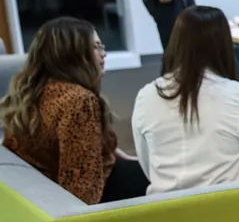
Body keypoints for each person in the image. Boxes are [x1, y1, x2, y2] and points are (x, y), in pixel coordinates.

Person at [132, 6, 239, 194]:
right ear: (224, 45)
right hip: (229, 213)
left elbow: (147, 164)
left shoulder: (146, 96)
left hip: (163, 214)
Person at [1, 17, 148, 204]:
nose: (104, 54)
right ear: (72, 53)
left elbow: (77, 143)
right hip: (73, 197)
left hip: (40, 188)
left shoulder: (31, 91)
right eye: (95, 47)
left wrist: (119, 155)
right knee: (161, 180)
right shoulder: (78, 101)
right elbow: (81, 189)